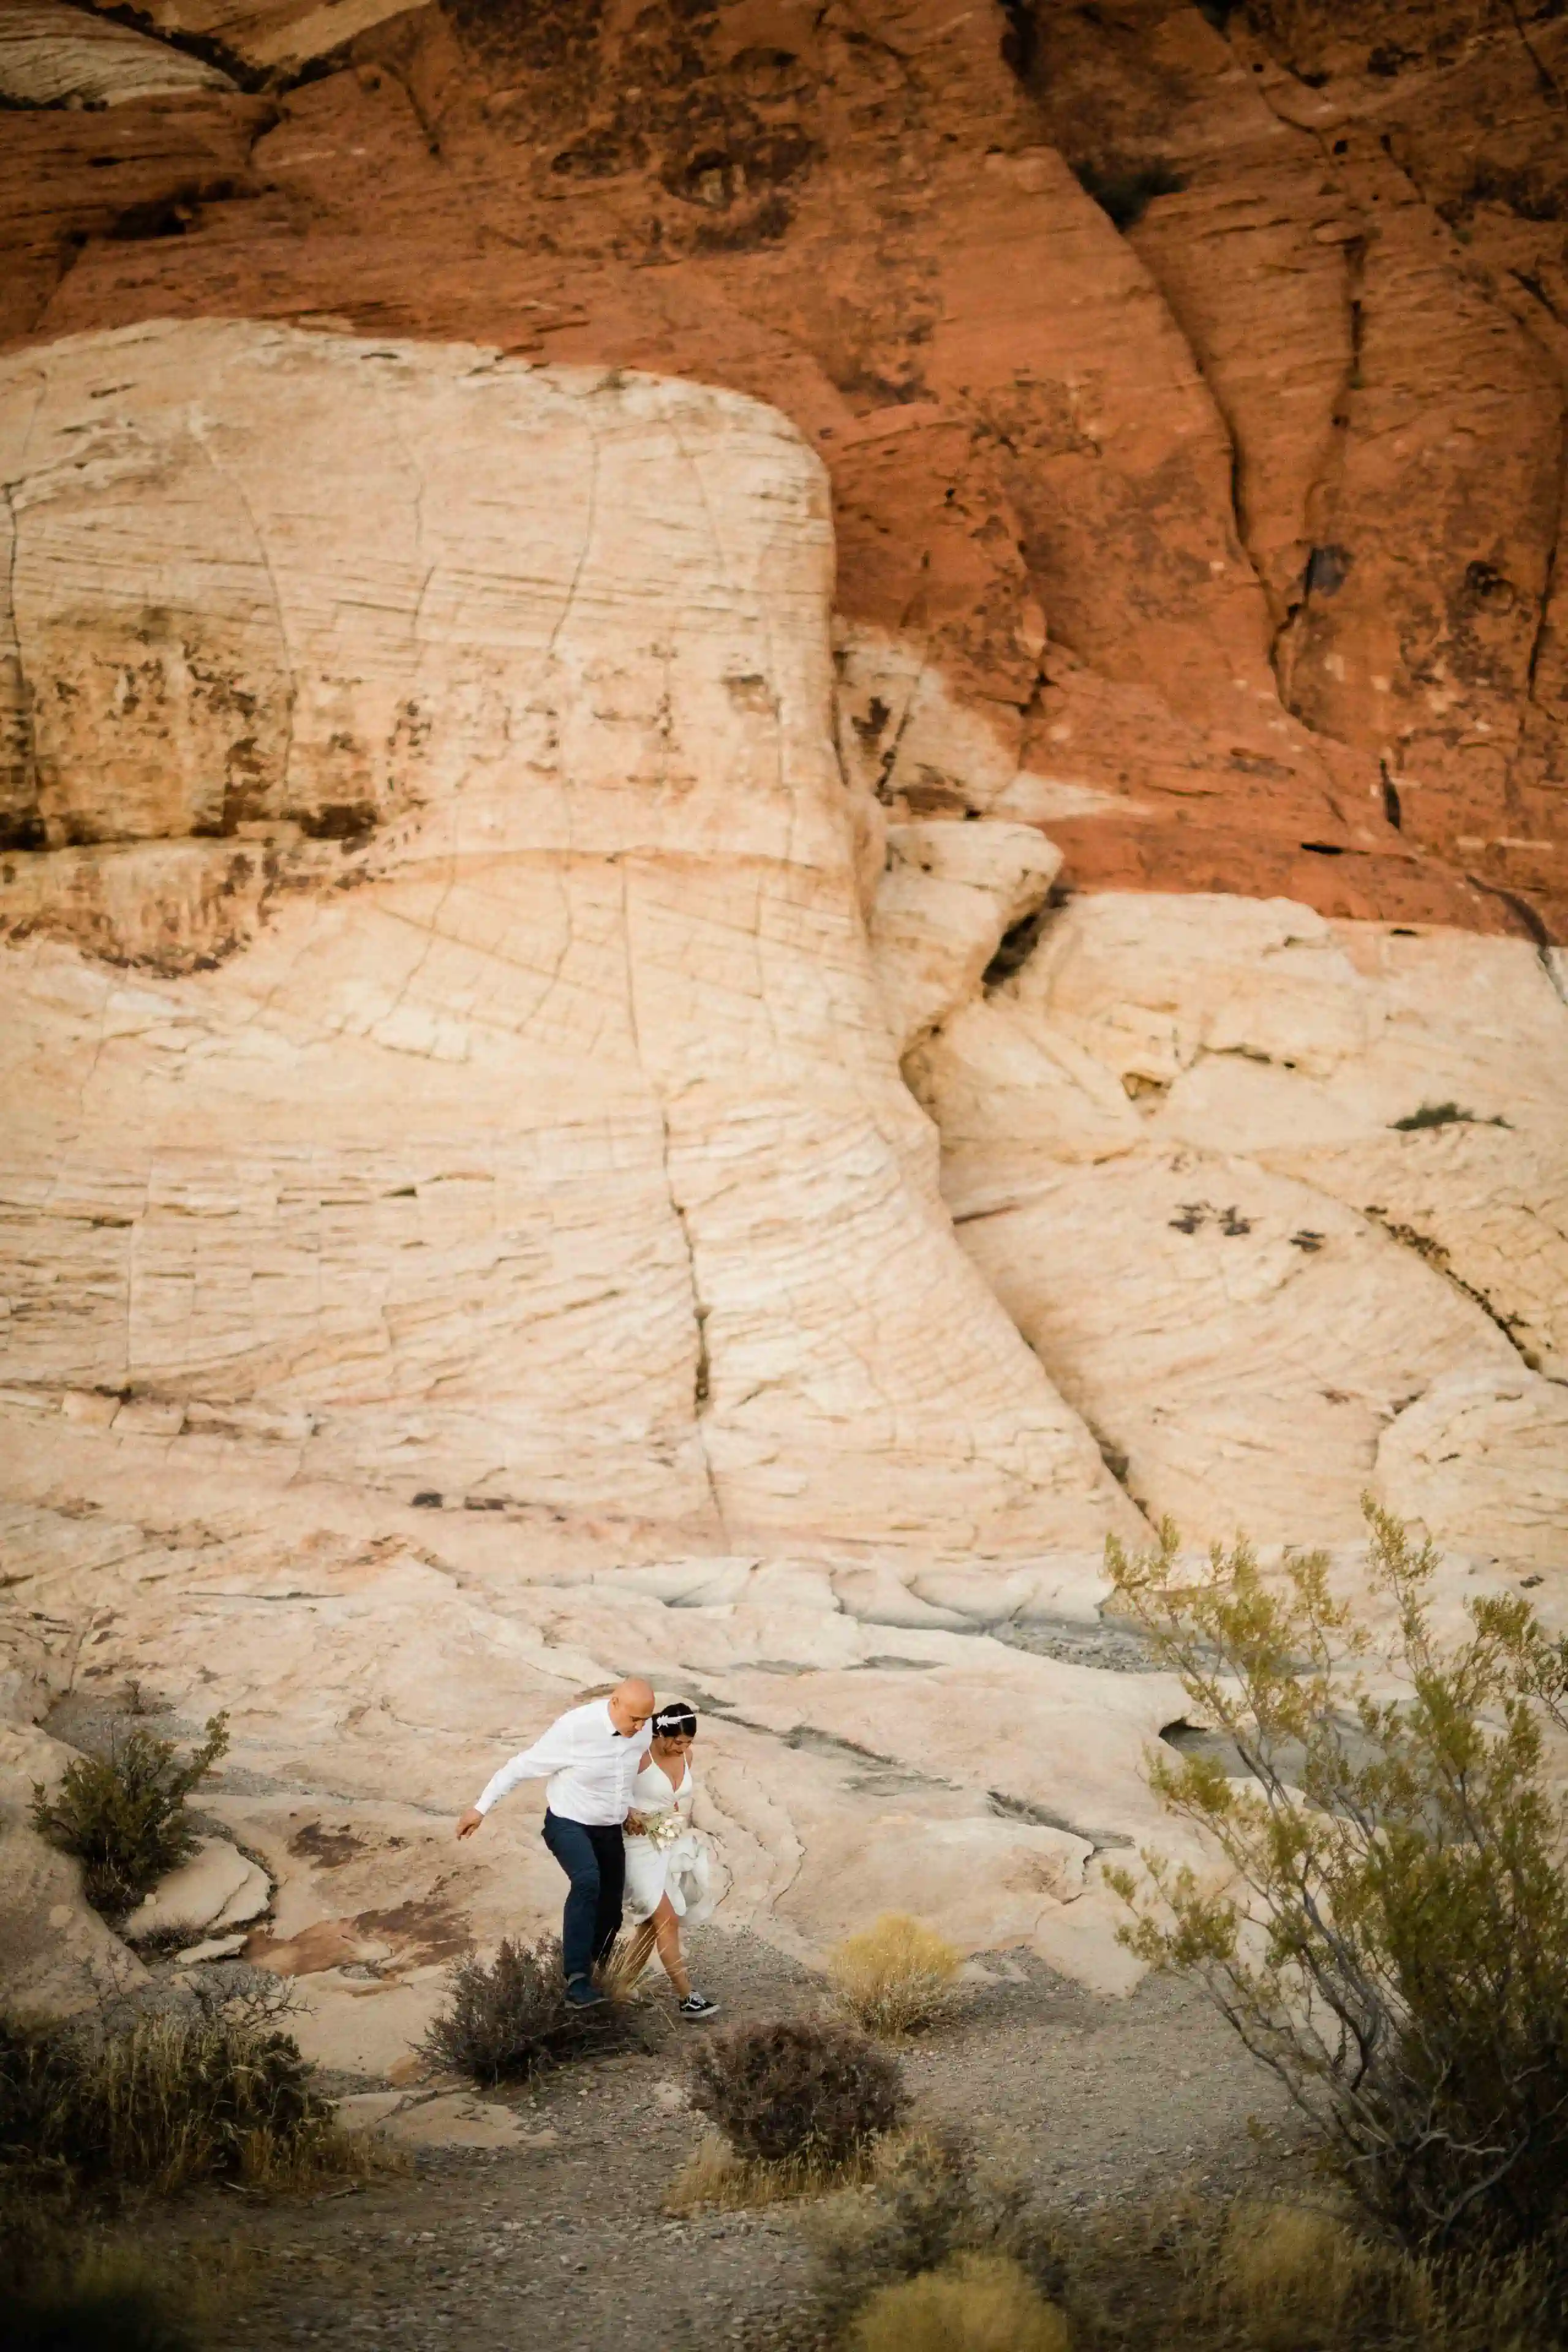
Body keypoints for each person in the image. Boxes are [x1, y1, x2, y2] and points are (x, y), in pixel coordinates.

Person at [454, 1676, 654, 2008]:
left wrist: (629, 1807)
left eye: (645, 1720)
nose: (639, 1726)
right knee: (587, 1879)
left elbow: (624, 1771)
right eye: (634, 1719)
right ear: (614, 1703)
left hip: (608, 1828)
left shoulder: (641, 1730)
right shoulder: (575, 1728)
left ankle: (596, 1977)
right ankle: (576, 1981)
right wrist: (480, 1808)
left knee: (610, 1911)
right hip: (568, 1823)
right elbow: (520, 1766)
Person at [619, 1698, 720, 2019]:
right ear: (661, 1734)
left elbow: (676, 1799)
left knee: (652, 1923)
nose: (683, 1748)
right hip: (634, 1847)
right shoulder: (639, 1756)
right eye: (677, 1741)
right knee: (666, 1918)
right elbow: (611, 1792)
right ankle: (687, 1997)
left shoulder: (687, 1756)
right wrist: (629, 1812)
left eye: (688, 1742)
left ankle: (620, 1987)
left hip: (665, 1842)